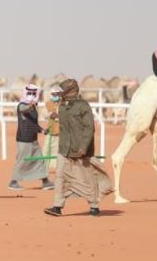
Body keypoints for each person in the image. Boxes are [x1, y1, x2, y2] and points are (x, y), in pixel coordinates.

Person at [44, 79, 113, 217]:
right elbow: (65, 122)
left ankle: (94, 206)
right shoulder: (62, 106)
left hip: (80, 150)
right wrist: (56, 116)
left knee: (87, 179)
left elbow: (89, 128)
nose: (60, 93)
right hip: (64, 149)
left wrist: (83, 146)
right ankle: (57, 206)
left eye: (63, 91)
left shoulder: (83, 106)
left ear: (70, 91)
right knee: (59, 177)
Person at [8, 84, 53, 192]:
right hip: (24, 139)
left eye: (34, 93)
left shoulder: (33, 108)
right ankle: (13, 182)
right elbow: (24, 109)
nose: (31, 95)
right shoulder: (22, 106)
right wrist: (30, 105)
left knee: (39, 160)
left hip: (33, 138)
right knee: (22, 161)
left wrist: (42, 130)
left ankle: (45, 181)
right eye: (29, 93)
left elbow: (33, 123)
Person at [43, 86, 62, 174]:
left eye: (57, 94)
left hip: (60, 132)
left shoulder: (63, 104)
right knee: (46, 149)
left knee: (56, 151)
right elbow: (44, 114)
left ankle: (56, 168)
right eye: (53, 94)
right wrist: (50, 114)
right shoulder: (48, 103)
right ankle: (44, 167)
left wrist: (58, 115)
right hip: (50, 131)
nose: (55, 96)